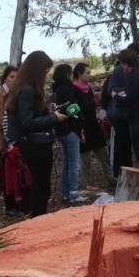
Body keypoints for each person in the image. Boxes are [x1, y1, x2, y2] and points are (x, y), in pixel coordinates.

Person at [4, 51, 68, 217]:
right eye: (45, 72)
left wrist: (48, 112)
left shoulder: (23, 89)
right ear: (37, 71)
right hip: (35, 149)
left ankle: (37, 220)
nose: (46, 76)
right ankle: (37, 225)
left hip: (34, 147)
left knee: (38, 191)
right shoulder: (27, 90)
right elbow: (27, 122)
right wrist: (53, 118)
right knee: (39, 191)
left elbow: (31, 117)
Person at [72, 63, 112, 192]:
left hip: (94, 125)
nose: (90, 75)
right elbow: (75, 111)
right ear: (79, 74)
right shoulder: (73, 90)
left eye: (90, 72)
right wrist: (79, 128)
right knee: (86, 158)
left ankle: (110, 177)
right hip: (83, 126)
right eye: (87, 73)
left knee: (103, 152)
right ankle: (87, 183)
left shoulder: (88, 88)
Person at [51, 63, 85, 204]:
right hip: (71, 129)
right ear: (67, 75)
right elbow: (74, 109)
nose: (73, 76)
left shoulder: (56, 91)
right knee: (73, 163)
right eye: (71, 74)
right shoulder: (68, 90)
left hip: (60, 130)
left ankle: (65, 193)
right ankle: (74, 193)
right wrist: (79, 120)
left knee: (66, 163)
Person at [0, 65, 19, 215]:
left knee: (16, 173)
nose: (15, 79)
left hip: (15, 141)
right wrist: (12, 136)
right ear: (5, 78)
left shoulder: (16, 94)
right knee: (7, 174)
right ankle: (10, 206)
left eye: (17, 77)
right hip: (3, 141)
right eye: (12, 76)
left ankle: (17, 202)